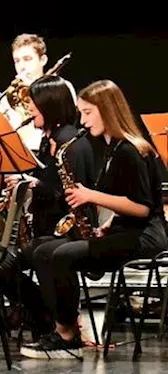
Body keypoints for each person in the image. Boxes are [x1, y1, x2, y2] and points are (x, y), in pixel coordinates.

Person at [22, 80, 166, 359]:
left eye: (87, 113)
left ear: (108, 111)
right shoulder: (112, 149)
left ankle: (67, 335)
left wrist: (90, 195)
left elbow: (143, 209)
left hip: (146, 236)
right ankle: (59, 325)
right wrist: (107, 226)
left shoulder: (130, 150)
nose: (82, 121)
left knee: (62, 255)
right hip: (126, 231)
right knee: (43, 251)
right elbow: (128, 202)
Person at [0, 76, 96, 342]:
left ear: (49, 105)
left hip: (66, 231)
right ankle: (41, 313)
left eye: (33, 104)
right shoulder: (49, 140)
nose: (29, 109)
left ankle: (59, 323)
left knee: (33, 256)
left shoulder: (70, 143)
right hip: (43, 229)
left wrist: (34, 184)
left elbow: (71, 195)